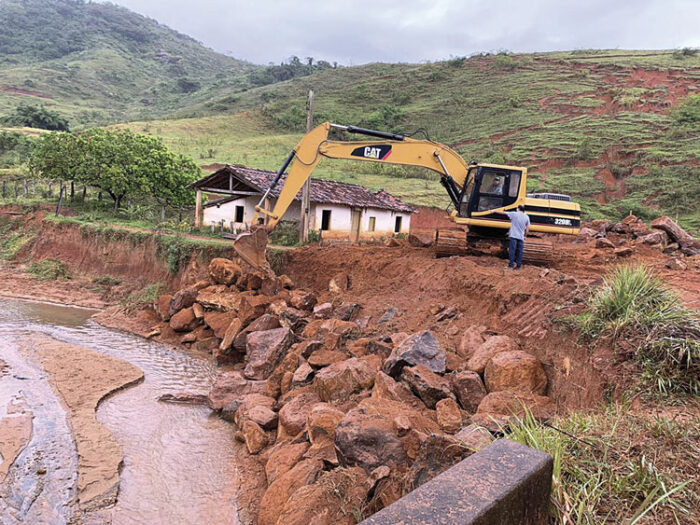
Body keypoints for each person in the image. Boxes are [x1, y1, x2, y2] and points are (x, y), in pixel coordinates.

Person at [499, 204, 530, 269]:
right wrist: (525, 236)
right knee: (520, 252)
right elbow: (527, 228)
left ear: (518, 209)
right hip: (521, 237)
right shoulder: (526, 217)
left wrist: (493, 211)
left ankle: (511, 265)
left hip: (513, 236)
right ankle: (518, 266)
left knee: (512, 251)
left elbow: (503, 213)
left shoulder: (514, 214)